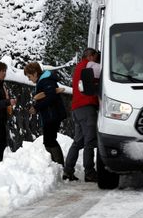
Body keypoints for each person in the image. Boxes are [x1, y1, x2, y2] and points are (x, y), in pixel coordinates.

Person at [63, 48, 100, 182]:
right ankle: (89, 172)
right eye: (96, 57)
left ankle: (68, 170)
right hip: (87, 106)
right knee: (89, 141)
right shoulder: (90, 65)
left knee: (78, 141)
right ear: (90, 56)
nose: (97, 60)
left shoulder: (79, 67)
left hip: (76, 108)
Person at [23, 61, 65, 166]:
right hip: (50, 115)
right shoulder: (44, 81)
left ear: (35, 73)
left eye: (29, 76)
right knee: (48, 141)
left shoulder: (45, 81)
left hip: (52, 115)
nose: (29, 79)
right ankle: (56, 165)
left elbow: (51, 96)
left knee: (50, 141)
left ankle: (59, 165)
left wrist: (36, 107)